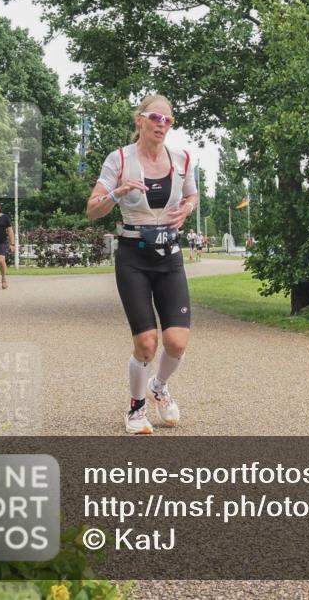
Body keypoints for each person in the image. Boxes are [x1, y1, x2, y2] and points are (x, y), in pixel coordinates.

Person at [86, 94, 197, 435]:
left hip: (170, 256)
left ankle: (159, 386)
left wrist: (188, 209)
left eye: (168, 119)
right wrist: (117, 193)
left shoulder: (182, 159)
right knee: (147, 342)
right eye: (155, 118)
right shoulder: (119, 158)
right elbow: (93, 208)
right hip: (133, 256)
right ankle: (136, 409)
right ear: (140, 120)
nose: (162, 125)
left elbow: (192, 195)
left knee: (177, 341)